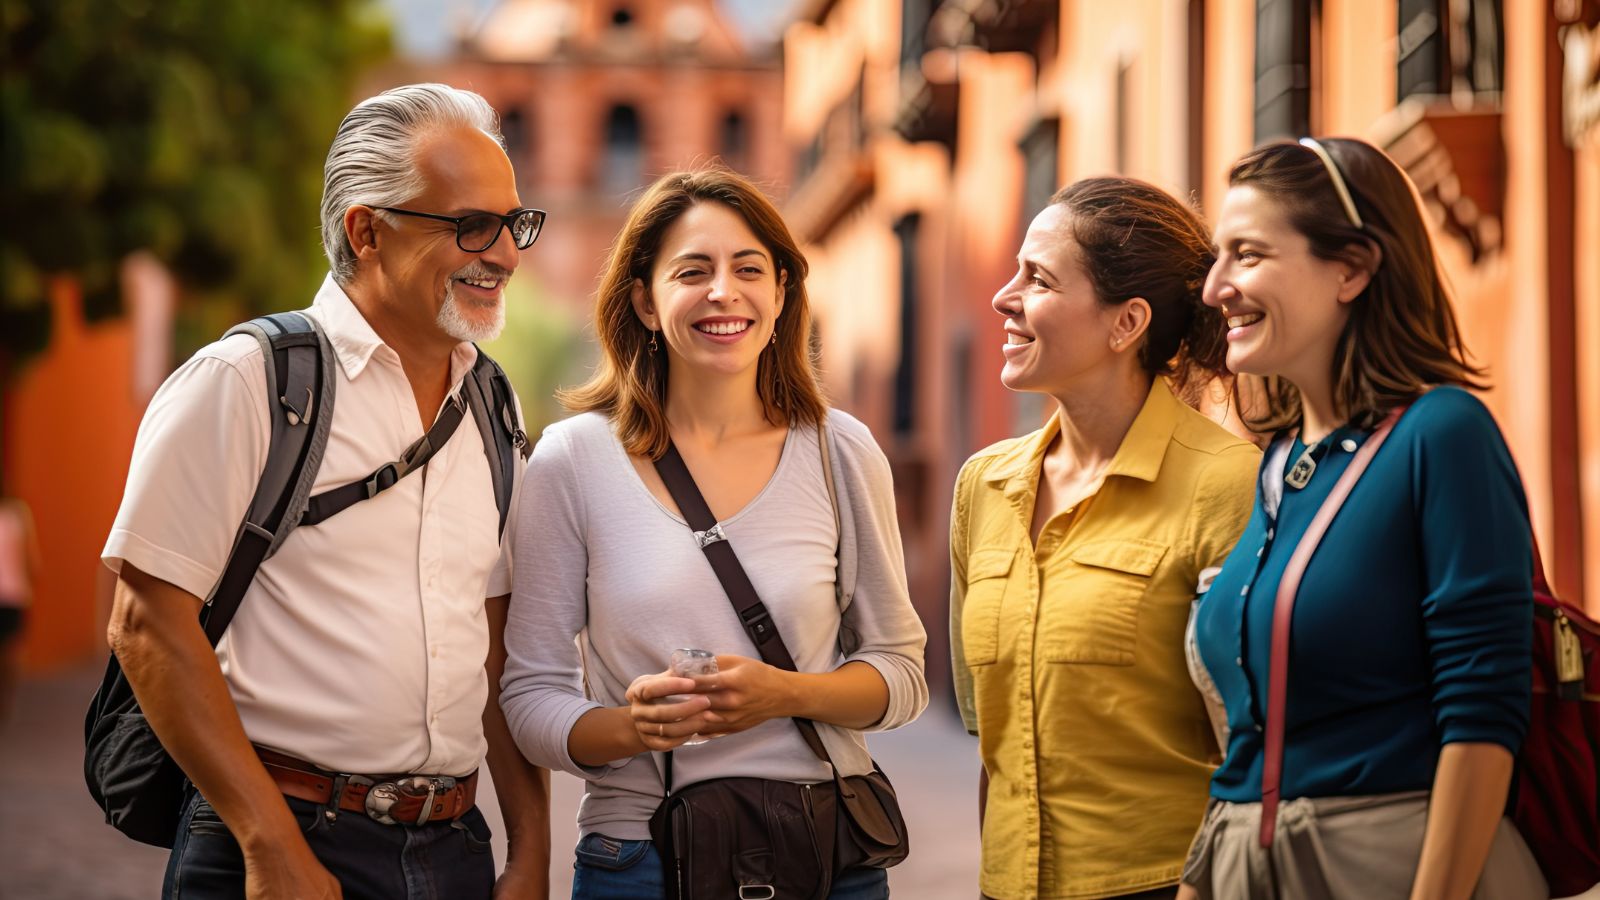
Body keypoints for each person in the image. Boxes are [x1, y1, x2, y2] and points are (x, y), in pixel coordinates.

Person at [102, 84, 551, 900]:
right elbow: (146, 623)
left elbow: (492, 637)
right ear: (366, 230)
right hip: (278, 841)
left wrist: (529, 849)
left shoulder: (493, 402)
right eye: (471, 226)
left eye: (515, 224)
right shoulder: (244, 381)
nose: (508, 255)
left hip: (454, 851)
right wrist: (268, 844)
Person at [499, 167, 928, 899]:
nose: (723, 291)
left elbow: (901, 676)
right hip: (639, 859)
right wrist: (633, 728)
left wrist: (783, 692)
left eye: (749, 269)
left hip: (827, 859)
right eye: (692, 271)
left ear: (782, 292)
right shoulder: (573, 460)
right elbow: (530, 698)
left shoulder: (840, 450)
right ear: (644, 299)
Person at [1180, 137, 1546, 898]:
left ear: (1351, 268)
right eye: (1218, 258)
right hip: (1248, 866)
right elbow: (1245, 743)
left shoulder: (1442, 435)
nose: (1216, 287)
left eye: (1247, 255)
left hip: (1393, 868)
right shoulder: (1280, 464)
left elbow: (1481, 716)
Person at [948, 176, 1260, 900]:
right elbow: (991, 742)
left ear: (1126, 325)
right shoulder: (983, 488)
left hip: (1167, 885)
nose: (1004, 297)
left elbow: (1260, 737)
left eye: (1039, 279)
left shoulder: (1226, 484)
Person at [0, 497, 39, 726]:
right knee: (11, 650)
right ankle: (6, 700)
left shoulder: (18, 513)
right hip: (15, 591)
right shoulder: (18, 513)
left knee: (11, 651)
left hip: (14, 591)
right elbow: (30, 558)